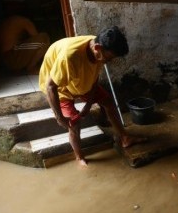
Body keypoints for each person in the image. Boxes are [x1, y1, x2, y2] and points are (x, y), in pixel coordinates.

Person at [39, 26, 146, 167]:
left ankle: (125, 137)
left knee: (108, 101)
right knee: (74, 123)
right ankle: (79, 157)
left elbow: (94, 77)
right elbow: (51, 86)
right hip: (60, 88)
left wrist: (89, 104)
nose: (108, 62)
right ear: (97, 47)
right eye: (109, 58)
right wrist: (59, 117)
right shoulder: (70, 56)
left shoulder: (97, 50)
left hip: (80, 81)